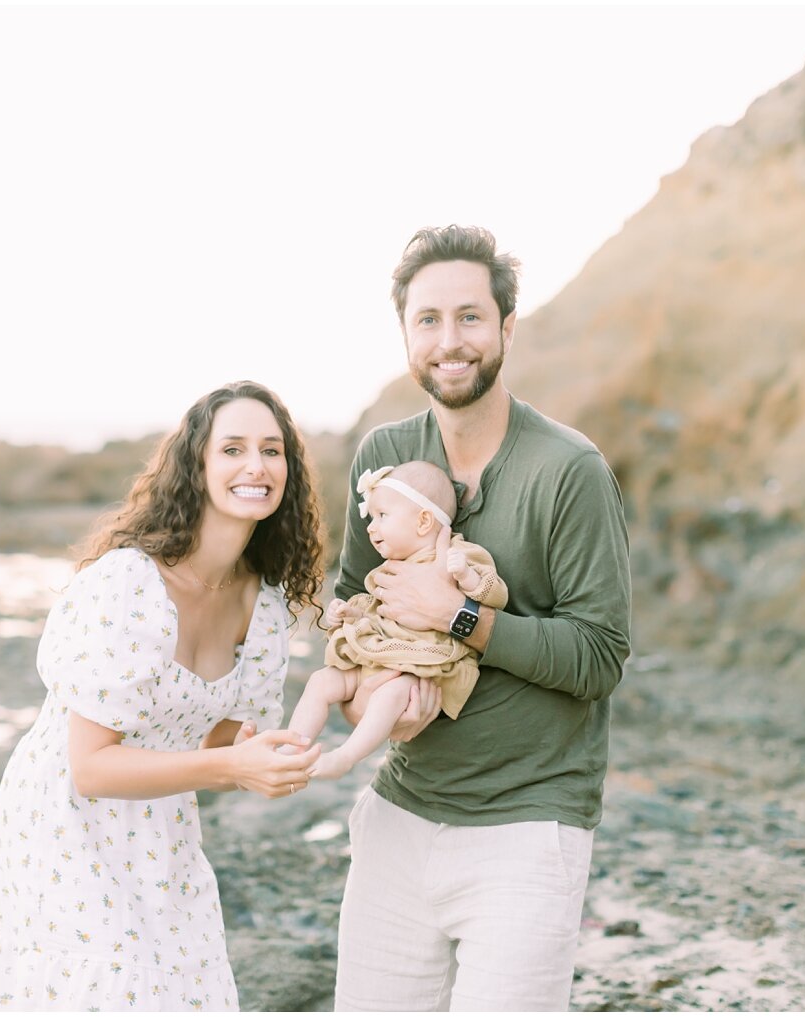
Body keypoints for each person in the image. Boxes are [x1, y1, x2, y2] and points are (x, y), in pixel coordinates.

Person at [327, 225, 632, 1011]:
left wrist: (461, 617)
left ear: (504, 327)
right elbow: (351, 607)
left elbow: (598, 655)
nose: (449, 339)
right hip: (398, 813)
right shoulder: (383, 458)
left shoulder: (570, 471)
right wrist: (365, 697)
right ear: (405, 335)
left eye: (469, 316)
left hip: (529, 827)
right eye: (427, 319)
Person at [0, 381, 326, 1012]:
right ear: (197, 466)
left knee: (181, 984)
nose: (256, 466)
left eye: (272, 451)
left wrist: (269, 757)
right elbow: (90, 767)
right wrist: (231, 766)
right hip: (63, 816)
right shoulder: (130, 584)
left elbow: (223, 750)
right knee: (110, 983)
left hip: (160, 818)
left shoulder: (266, 606)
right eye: (233, 449)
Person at [282, 460, 507, 780]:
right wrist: (350, 613)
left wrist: (467, 577)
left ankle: (345, 757)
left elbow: (497, 595)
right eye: (371, 518)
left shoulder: (456, 554)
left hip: (421, 668)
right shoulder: (390, 566)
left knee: (391, 695)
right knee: (322, 680)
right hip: (383, 657)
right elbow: (382, 611)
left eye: (382, 516)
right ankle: (292, 752)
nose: (371, 527)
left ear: (424, 521)